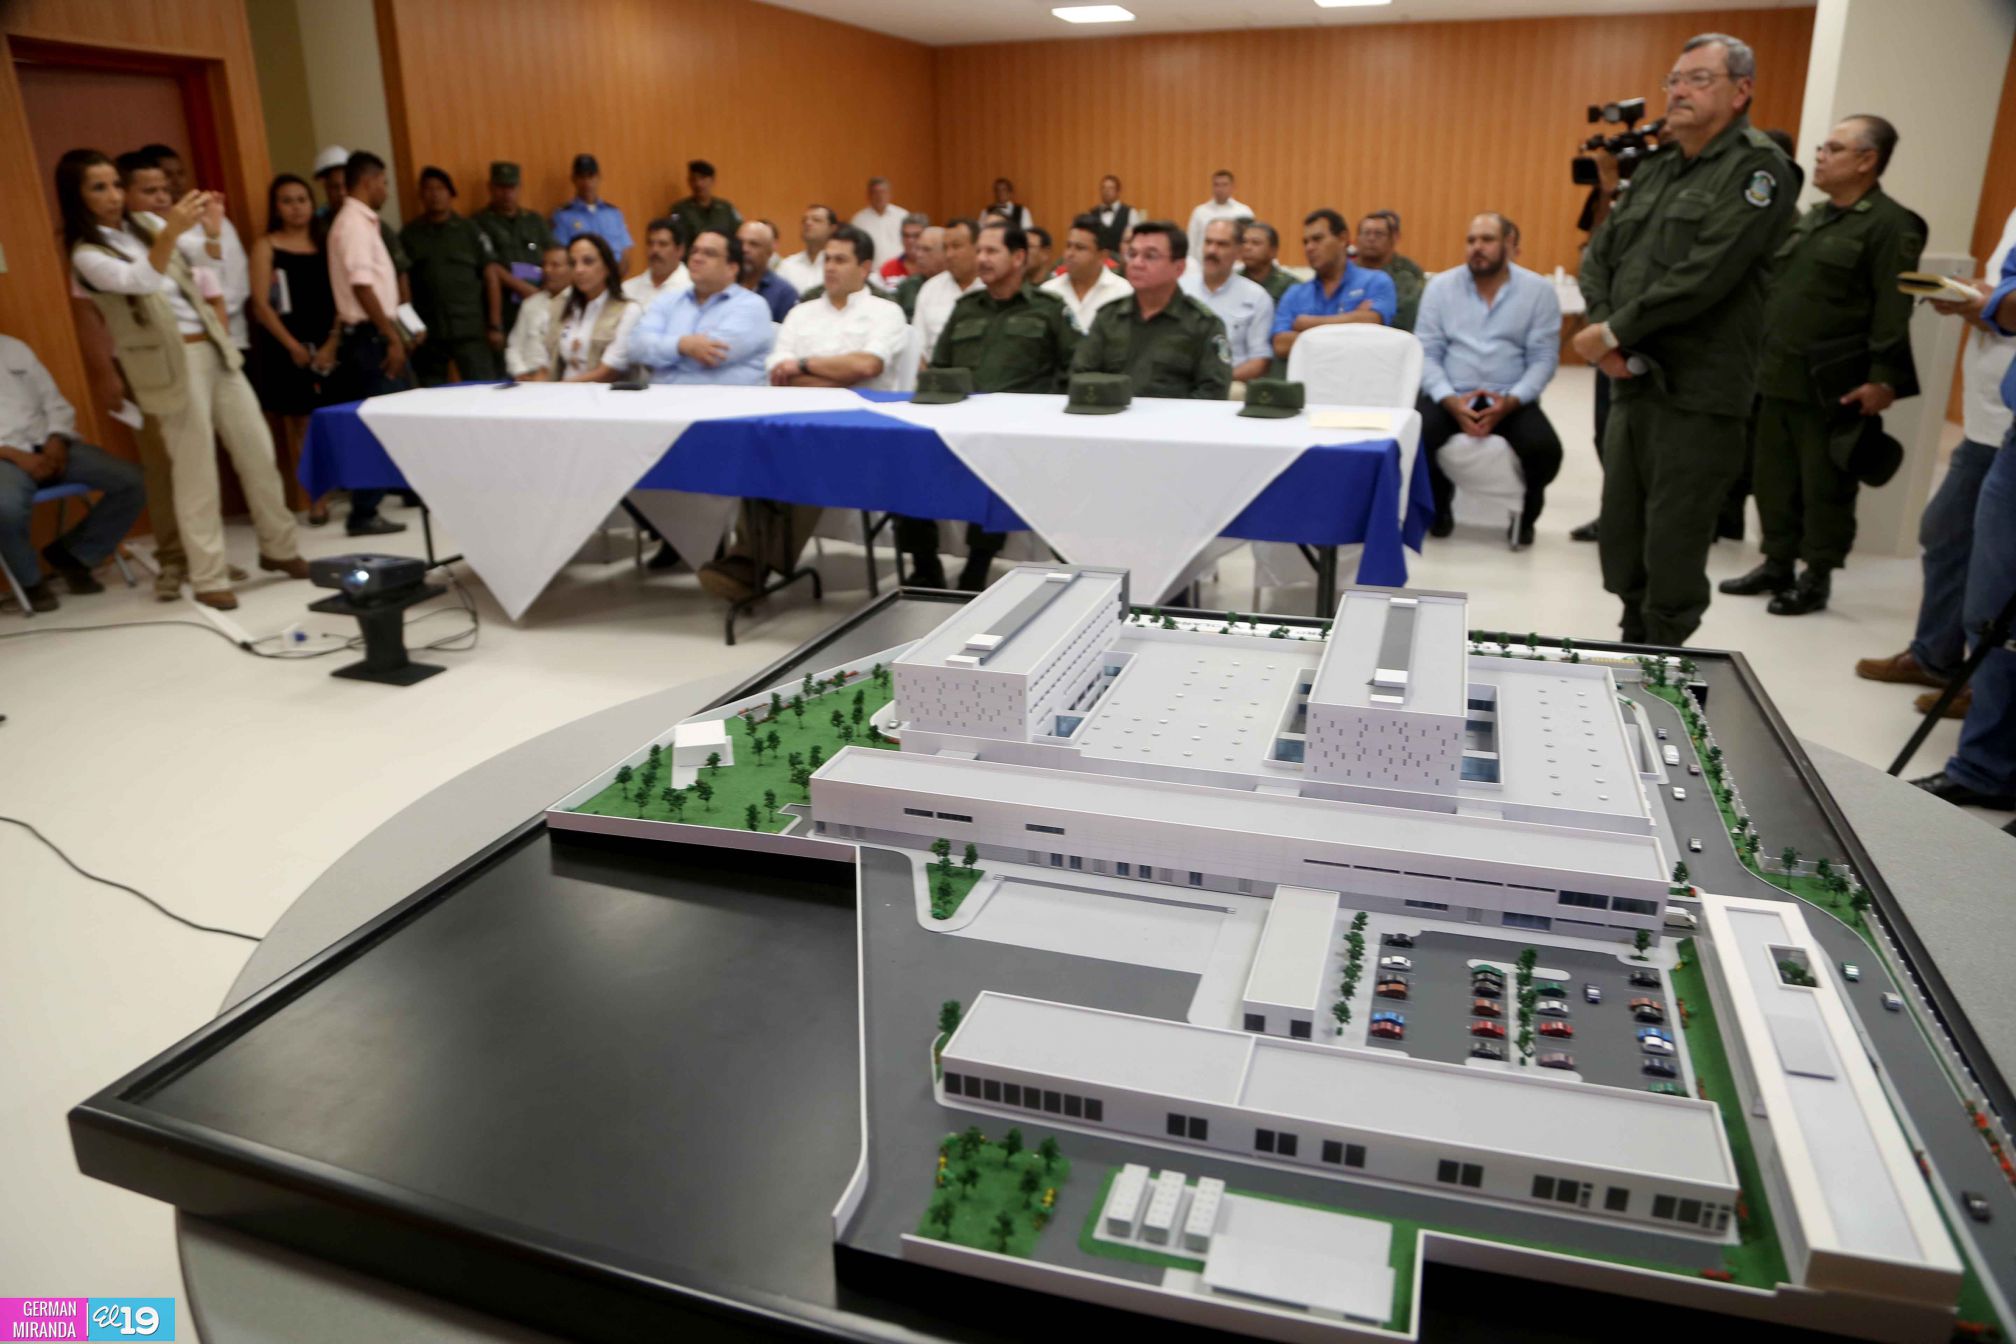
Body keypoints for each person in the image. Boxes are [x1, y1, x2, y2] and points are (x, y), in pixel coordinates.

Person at [1572, 32, 1796, 646]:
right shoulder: (1658, 169)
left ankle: (1662, 661)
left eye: (1699, 79)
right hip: (1632, 382)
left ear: (1740, 91)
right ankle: (1631, 641)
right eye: (1674, 79)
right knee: (1622, 531)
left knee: (1673, 539)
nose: (1678, 91)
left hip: (1698, 391)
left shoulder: (1759, 169)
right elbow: (1601, 256)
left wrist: (1611, 331)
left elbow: (1707, 273)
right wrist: (1605, 335)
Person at [62, 149, 307, 609]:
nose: (114, 195)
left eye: (116, 184)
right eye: (100, 187)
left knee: (258, 451)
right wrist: (173, 230)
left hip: (213, 347)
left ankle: (280, 549)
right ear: (76, 197)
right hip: (167, 366)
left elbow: (203, 260)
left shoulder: (146, 226)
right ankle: (208, 575)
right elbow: (139, 280)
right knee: (195, 473)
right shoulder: (86, 255)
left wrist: (211, 232)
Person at [1718, 115, 1923, 617]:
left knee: (1824, 485)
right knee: (1773, 478)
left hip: (1834, 383)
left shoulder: (1892, 225)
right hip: (1777, 376)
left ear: (1866, 160)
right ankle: (1777, 562)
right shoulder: (1812, 217)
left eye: (1833, 148)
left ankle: (1817, 576)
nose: (1820, 155)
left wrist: (1882, 378)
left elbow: (1892, 310)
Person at [1858, 204, 2016, 718]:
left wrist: (1985, 305)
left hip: (2002, 421)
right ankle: (1935, 657)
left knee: (1994, 568)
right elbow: (2001, 293)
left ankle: (1984, 687)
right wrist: (1975, 297)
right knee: (1946, 532)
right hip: (1986, 411)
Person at [696, 225, 904, 606]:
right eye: (827, 259)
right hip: (798, 417)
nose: (830, 268)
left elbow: (867, 364)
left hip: (863, 427)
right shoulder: (801, 313)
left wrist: (805, 366)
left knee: (809, 451)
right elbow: (778, 373)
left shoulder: (886, 311)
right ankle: (748, 559)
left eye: (841, 260)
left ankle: (751, 565)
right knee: (760, 445)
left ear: (865, 267)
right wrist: (835, 375)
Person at [1907, 241, 2016, 817]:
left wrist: (1994, 301)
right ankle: (1983, 768)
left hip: (2000, 424)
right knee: (1991, 609)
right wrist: (1996, 298)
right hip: (2008, 425)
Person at [917, 221, 1079, 590]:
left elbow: (1075, 368)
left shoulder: (1049, 309)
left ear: (1019, 257)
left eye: (992, 251)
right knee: (905, 462)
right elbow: (939, 369)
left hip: (1021, 431)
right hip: (958, 422)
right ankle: (924, 564)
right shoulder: (966, 308)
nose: (982, 259)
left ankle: (977, 564)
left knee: (995, 460)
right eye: (980, 251)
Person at [1415, 213, 1564, 545]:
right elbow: (1427, 351)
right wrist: (1450, 400)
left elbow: (1543, 358)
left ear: (1510, 245)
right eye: (1471, 240)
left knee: (1545, 450)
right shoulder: (1441, 288)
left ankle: (1526, 515)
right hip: (1451, 393)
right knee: (1415, 437)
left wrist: (1511, 401)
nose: (1476, 248)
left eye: (1487, 240)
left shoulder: (1538, 291)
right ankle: (1439, 506)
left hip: (1509, 396)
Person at [0, 332, 146, 613]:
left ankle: (74, 555)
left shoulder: (13, 348)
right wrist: (15, 455)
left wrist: (57, 438)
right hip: (5, 457)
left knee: (133, 480)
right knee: (4, 508)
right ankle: (30, 582)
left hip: (50, 445)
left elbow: (53, 401)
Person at [325, 150, 413, 537]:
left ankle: (392, 496)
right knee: (379, 423)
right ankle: (363, 511)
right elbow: (362, 285)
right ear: (368, 181)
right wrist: (389, 335)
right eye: (384, 181)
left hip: (375, 331)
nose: (386, 190)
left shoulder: (360, 222)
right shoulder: (355, 225)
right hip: (370, 336)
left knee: (396, 414)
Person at [248, 173, 341, 523]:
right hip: (286, 344)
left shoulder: (327, 242)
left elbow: (342, 298)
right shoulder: (266, 246)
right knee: (302, 423)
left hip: (329, 340)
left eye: (302, 199)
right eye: (287, 200)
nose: (296, 207)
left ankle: (339, 486)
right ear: (276, 207)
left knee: (332, 418)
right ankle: (315, 497)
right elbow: (261, 304)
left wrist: (333, 340)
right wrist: (291, 346)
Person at [1073, 221, 1232, 400]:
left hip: (1174, 424)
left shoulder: (1203, 325)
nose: (1136, 263)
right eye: (1132, 254)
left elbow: (1213, 393)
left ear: (1179, 268)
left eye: (1150, 256)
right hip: (1111, 419)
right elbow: (1081, 375)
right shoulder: (1109, 317)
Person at [140, 144, 252, 354]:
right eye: (167, 175)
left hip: (231, 336)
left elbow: (238, 281)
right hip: (180, 341)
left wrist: (212, 318)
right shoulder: (145, 228)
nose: (176, 181)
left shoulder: (212, 218)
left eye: (180, 173)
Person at [629, 228, 775, 386]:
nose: (697, 258)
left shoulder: (751, 306)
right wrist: (681, 345)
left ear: (732, 268)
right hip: (662, 402)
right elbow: (636, 348)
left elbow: (714, 356)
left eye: (709, 253)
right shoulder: (666, 301)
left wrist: (661, 353)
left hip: (728, 404)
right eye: (694, 251)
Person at [401, 166, 503, 385]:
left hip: (470, 329)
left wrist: (494, 325)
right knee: (431, 395)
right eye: (428, 189)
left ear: (451, 194)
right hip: (428, 332)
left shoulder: (470, 230)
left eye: (440, 188)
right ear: (421, 195)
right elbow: (403, 283)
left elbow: (491, 277)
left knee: (484, 389)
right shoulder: (410, 235)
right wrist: (408, 329)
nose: (435, 194)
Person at [1271, 210, 1397, 360]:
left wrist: (1306, 324)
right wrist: (1352, 321)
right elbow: (1281, 345)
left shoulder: (1375, 281)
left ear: (1343, 239)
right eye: (1306, 242)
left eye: (1317, 239)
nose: (1309, 248)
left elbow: (1373, 322)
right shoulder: (1295, 293)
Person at [529, 235, 640, 382]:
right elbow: (547, 365)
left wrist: (558, 389)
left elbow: (609, 372)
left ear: (607, 267)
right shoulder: (560, 307)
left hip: (605, 397)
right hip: (560, 395)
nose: (579, 270)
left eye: (588, 262)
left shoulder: (628, 310)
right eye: (573, 263)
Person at [312, 143, 411, 305]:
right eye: (334, 187)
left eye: (345, 186)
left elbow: (400, 272)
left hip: (373, 313)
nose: (341, 193)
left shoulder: (376, 226)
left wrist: (406, 316)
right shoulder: (317, 226)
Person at [1179, 218, 1273, 384]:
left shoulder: (1256, 297)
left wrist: (1217, 379)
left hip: (1230, 382)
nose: (1212, 250)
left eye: (1222, 244)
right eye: (1208, 242)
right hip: (1180, 380)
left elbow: (1260, 362)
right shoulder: (1181, 288)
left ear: (1238, 252)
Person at [474, 161, 557, 342]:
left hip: (540, 303)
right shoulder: (478, 223)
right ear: (490, 188)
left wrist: (543, 291)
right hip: (504, 310)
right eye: (501, 187)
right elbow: (490, 267)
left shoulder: (534, 220)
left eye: (511, 187)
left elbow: (552, 257)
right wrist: (525, 289)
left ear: (519, 188)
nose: (507, 194)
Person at [1040, 215, 1132, 334]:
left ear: (1102, 256)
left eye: (1079, 248)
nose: (1069, 254)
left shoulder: (1124, 292)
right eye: (1068, 246)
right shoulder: (1047, 292)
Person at [912, 218, 984, 362]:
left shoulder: (991, 287)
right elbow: (918, 348)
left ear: (977, 248)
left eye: (956, 247)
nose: (949, 255)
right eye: (946, 248)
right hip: (938, 377)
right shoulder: (931, 289)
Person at [552, 153, 632, 272]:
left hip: (615, 279)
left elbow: (625, 253)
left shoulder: (613, 213)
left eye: (591, 176)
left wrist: (614, 281)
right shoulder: (563, 216)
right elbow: (563, 256)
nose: (587, 182)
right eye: (582, 177)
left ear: (598, 177)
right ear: (573, 179)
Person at [504, 242, 572, 379]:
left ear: (572, 269)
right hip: (525, 379)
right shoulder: (530, 304)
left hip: (561, 381)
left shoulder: (578, 304)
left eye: (555, 265)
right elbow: (513, 347)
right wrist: (520, 372)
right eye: (544, 265)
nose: (547, 270)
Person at [1356, 211, 1426, 333]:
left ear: (1392, 239)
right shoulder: (1344, 271)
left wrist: (1370, 316)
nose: (1371, 238)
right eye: (1366, 233)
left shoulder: (1407, 275)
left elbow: (1405, 319)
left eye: (1379, 234)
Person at [736, 219, 799, 321]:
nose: (744, 249)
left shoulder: (784, 293)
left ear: (769, 252)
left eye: (753, 244)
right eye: (740, 243)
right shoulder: (721, 285)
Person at [622, 216, 692, 306]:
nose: (655, 250)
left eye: (663, 244)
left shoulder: (692, 289)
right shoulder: (627, 290)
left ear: (680, 250)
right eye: (650, 243)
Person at [1186, 170, 1252, 263]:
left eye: (1224, 185)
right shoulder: (1200, 212)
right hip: (1204, 266)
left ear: (1232, 187)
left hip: (1235, 267)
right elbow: (1191, 243)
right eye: (1216, 185)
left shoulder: (1244, 211)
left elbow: (1247, 241)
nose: (1220, 189)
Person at [852, 178, 909, 283]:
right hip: (872, 275)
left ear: (889, 194)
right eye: (875, 192)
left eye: (883, 192)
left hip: (900, 273)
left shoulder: (903, 216)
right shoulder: (859, 220)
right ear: (868, 196)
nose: (879, 196)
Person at [668, 159, 739, 241]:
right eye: (693, 179)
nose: (698, 184)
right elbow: (675, 238)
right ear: (689, 182)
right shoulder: (679, 210)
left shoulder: (726, 208)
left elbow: (738, 233)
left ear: (712, 180)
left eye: (703, 178)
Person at [775, 204, 838, 296]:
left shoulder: (840, 265)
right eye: (804, 220)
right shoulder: (787, 265)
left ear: (832, 229)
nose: (808, 223)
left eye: (816, 220)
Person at [891, 224, 945, 320]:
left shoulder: (958, 284)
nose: (919, 255)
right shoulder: (908, 285)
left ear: (945, 253)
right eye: (918, 248)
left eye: (926, 249)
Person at [1239, 221, 1295, 304]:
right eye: (1244, 242)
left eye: (1255, 242)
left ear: (1273, 251)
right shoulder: (1230, 281)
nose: (1247, 247)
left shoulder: (1290, 286)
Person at [1089, 175, 1142, 257]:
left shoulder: (1130, 213)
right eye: (1103, 188)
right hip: (1097, 263)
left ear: (1118, 192)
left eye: (1110, 188)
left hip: (1121, 263)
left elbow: (1137, 241)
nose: (1106, 191)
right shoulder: (1092, 214)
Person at [878, 212, 930, 287]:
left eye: (916, 235)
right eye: (906, 235)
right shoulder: (888, 267)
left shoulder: (934, 267)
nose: (910, 241)